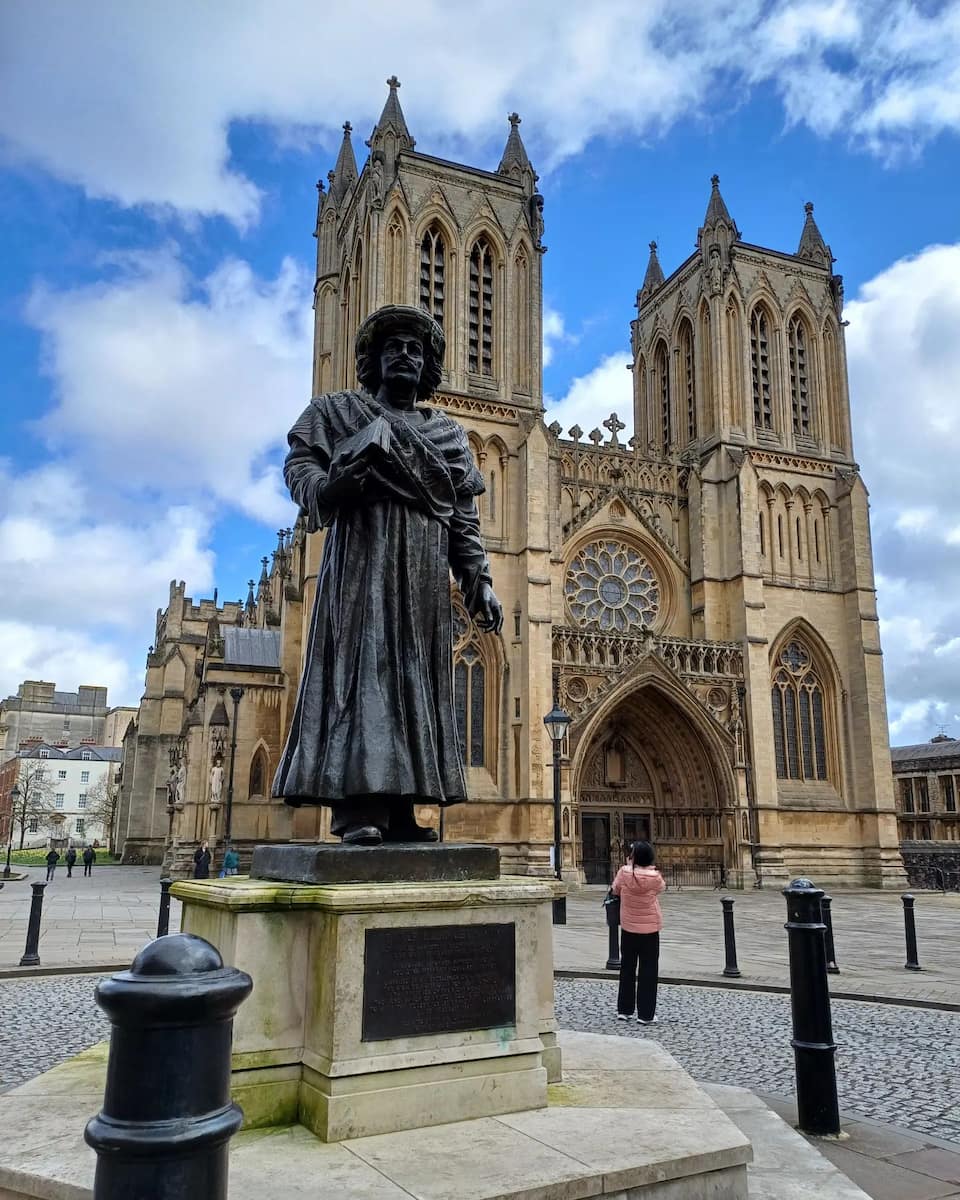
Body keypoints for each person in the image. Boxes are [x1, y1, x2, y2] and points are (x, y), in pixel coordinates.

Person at [272, 304, 503, 846]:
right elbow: (300, 467)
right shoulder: (337, 412)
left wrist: (479, 583)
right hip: (363, 564)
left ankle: (402, 808)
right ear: (372, 360)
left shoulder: (446, 434)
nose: (405, 355)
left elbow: (463, 520)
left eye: (416, 350)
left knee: (415, 682)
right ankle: (356, 809)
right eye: (394, 347)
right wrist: (331, 487)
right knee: (364, 674)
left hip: (423, 576)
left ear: (428, 368)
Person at [611, 840, 666, 1024]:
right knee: (648, 971)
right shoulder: (655, 877)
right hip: (650, 929)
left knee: (627, 968)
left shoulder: (624, 873)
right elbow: (661, 889)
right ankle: (646, 1015)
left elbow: (615, 890)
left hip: (629, 928)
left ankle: (624, 1010)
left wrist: (629, 865)